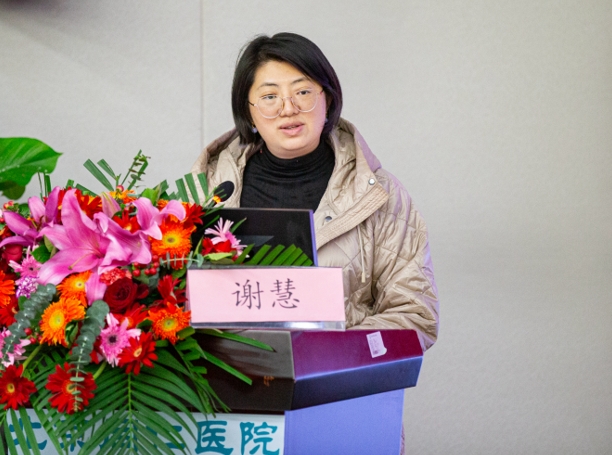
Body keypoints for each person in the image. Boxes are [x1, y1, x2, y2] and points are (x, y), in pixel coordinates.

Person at [191, 33, 439, 351]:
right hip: (229, 380)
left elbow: (415, 315)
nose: (288, 108)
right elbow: (170, 305)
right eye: (269, 96)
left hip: (340, 380)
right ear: (248, 110)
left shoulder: (379, 195)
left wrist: (328, 355)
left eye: (303, 92)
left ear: (328, 99)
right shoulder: (205, 192)